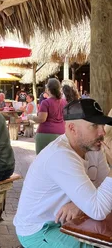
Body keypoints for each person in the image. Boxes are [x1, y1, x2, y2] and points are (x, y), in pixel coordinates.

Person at [14, 98, 112, 248]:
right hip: (40, 229)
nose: (102, 132)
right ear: (72, 128)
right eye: (94, 126)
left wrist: (79, 205)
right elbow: (98, 209)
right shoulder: (60, 156)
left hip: (66, 221)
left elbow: (103, 186)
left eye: (102, 124)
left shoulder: (93, 147)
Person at [28, 78, 67, 154]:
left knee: (42, 159)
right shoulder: (64, 102)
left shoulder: (45, 102)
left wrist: (30, 117)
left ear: (48, 89)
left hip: (46, 133)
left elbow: (41, 119)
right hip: (61, 133)